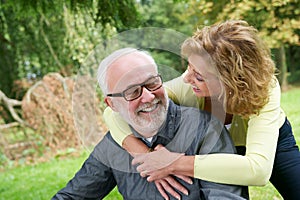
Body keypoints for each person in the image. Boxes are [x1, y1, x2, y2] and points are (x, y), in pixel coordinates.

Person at [103, 20, 300, 200]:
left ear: (230, 81)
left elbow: (257, 170)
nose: (187, 78)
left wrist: (173, 163)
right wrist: (143, 154)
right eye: (189, 67)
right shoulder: (186, 86)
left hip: (271, 143)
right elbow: (113, 111)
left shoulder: (265, 88)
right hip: (212, 149)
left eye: (199, 76)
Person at [52, 48, 247, 200]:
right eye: (132, 91)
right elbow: (73, 195)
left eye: (152, 83)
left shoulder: (204, 129)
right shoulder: (113, 145)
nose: (148, 96)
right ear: (111, 104)